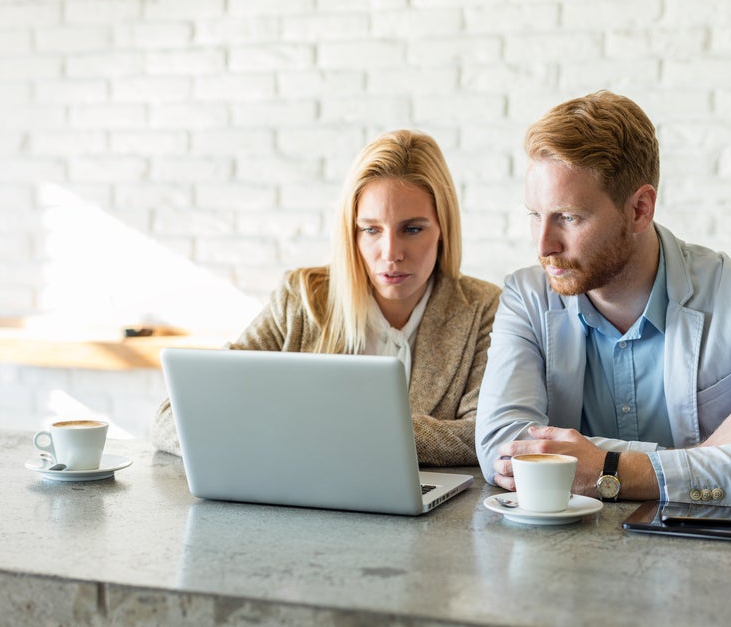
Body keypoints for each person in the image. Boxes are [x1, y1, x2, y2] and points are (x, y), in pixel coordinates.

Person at [475, 91, 731, 507]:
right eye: (535, 215)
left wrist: (610, 470)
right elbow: (502, 449)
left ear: (639, 209)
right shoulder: (526, 298)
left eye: (569, 217)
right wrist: (705, 455)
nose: (544, 245)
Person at [154, 129, 500, 466]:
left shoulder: (482, 308)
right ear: (351, 232)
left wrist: (322, 429)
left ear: (443, 229)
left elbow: (483, 435)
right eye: (371, 230)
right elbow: (173, 418)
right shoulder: (301, 299)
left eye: (412, 229)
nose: (391, 253)